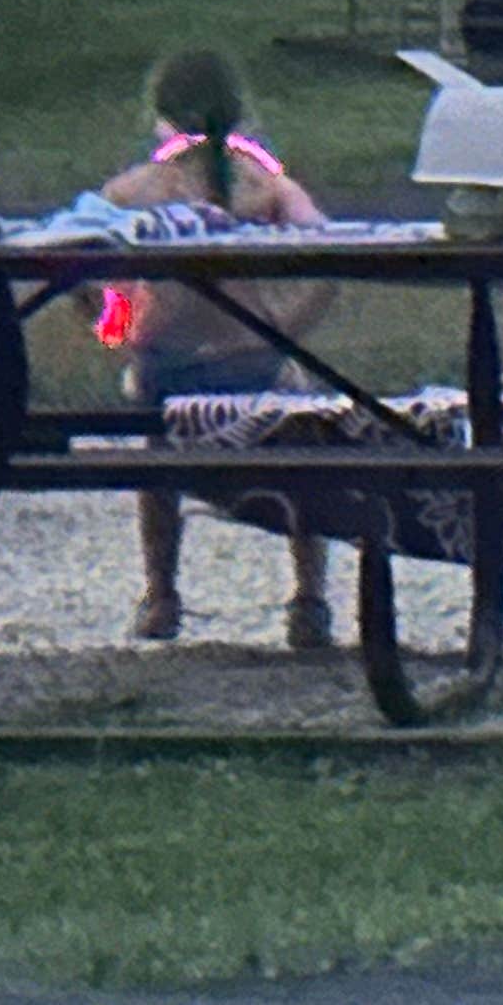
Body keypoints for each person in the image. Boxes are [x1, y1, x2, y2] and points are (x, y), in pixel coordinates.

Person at [97, 49, 337, 652]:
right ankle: (310, 598)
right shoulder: (265, 184)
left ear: (160, 116)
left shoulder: (132, 193)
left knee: (151, 434)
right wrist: (288, 330)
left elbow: (100, 286)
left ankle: (161, 594)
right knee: (304, 437)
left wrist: (118, 337)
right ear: (239, 111)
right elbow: (330, 251)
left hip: (169, 375)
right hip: (256, 365)